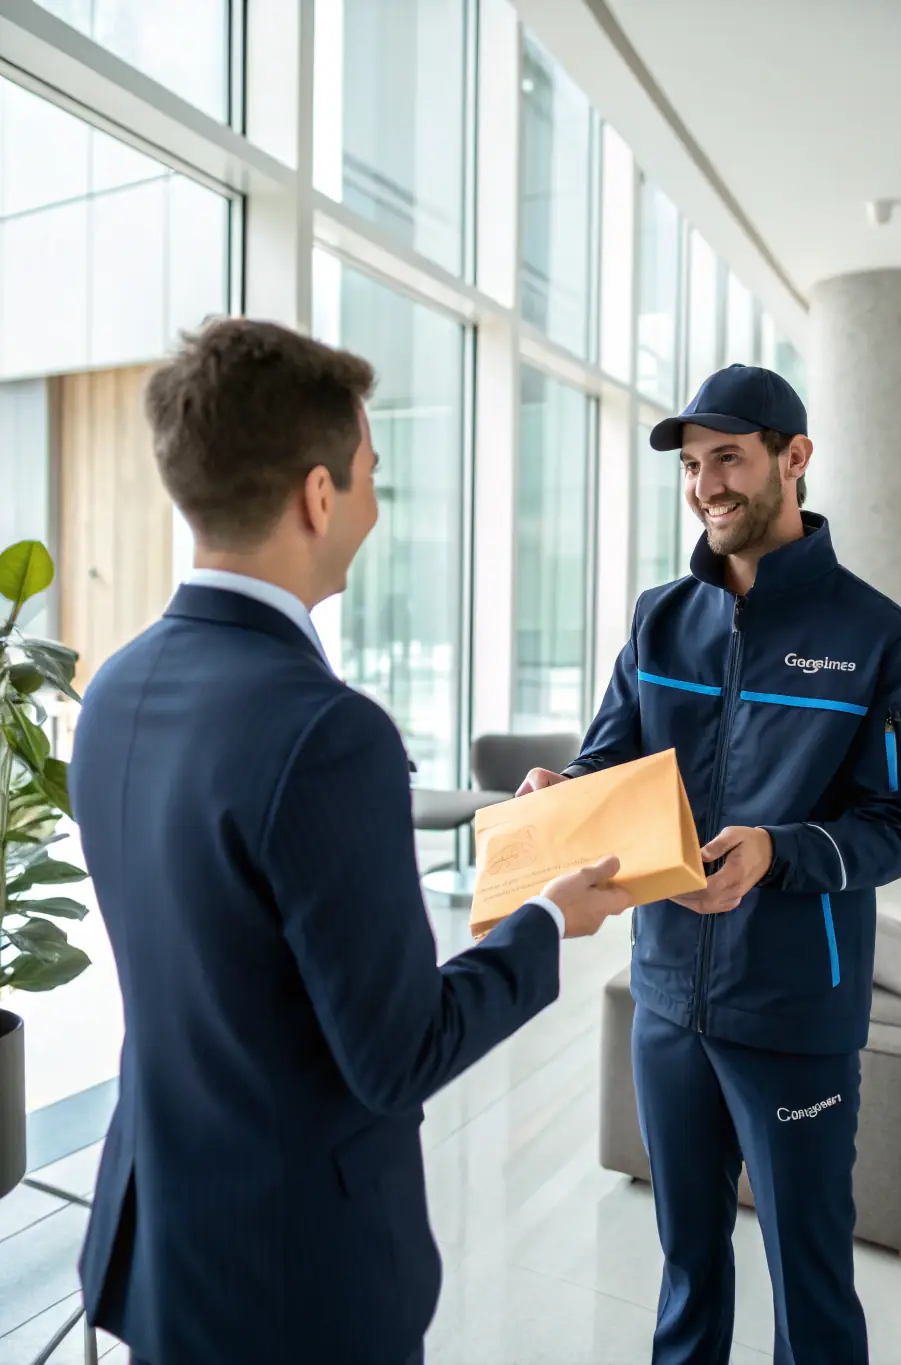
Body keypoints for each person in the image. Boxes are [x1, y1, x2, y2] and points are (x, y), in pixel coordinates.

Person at [67, 319, 631, 1365]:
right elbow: (398, 1054)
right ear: (318, 497)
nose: (376, 501)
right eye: (372, 472)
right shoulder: (329, 733)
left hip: (163, 1247)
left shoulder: (113, 690)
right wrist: (549, 918)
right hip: (295, 1283)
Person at [518, 363, 901, 1365]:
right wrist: (564, 795)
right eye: (694, 465)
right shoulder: (660, 617)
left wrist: (778, 851)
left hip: (793, 1009)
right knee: (685, 1264)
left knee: (809, 1274)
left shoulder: (876, 638)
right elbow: (611, 757)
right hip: (664, 998)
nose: (708, 484)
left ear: (793, 459)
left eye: (730, 460)